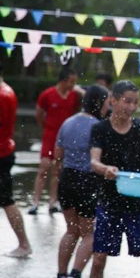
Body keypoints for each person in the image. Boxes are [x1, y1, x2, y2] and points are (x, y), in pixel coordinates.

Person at [89, 80, 140, 278]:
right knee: (98, 259)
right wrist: (105, 169)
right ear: (112, 101)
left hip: (138, 204)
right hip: (109, 203)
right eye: (127, 101)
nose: (131, 107)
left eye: (135, 102)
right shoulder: (100, 129)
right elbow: (94, 162)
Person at [55, 85, 109, 278]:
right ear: (99, 103)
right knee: (88, 233)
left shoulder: (67, 122)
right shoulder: (98, 126)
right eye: (106, 102)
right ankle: (76, 273)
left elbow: (58, 156)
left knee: (71, 230)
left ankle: (61, 274)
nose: (107, 106)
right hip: (88, 181)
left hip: (67, 179)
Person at [29, 67, 81, 215]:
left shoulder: (74, 96)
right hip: (50, 135)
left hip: (65, 138)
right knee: (43, 167)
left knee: (57, 171)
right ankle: (36, 202)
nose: (73, 85)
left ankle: (53, 202)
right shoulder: (47, 94)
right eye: (72, 81)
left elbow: (76, 113)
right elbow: (39, 114)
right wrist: (46, 128)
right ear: (63, 80)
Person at [0, 63, 32, 257]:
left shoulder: (3, 95)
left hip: (1, 153)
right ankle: (24, 244)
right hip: (4, 150)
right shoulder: (6, 92)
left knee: (7, 200)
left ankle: (24, 244)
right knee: (6, 200)